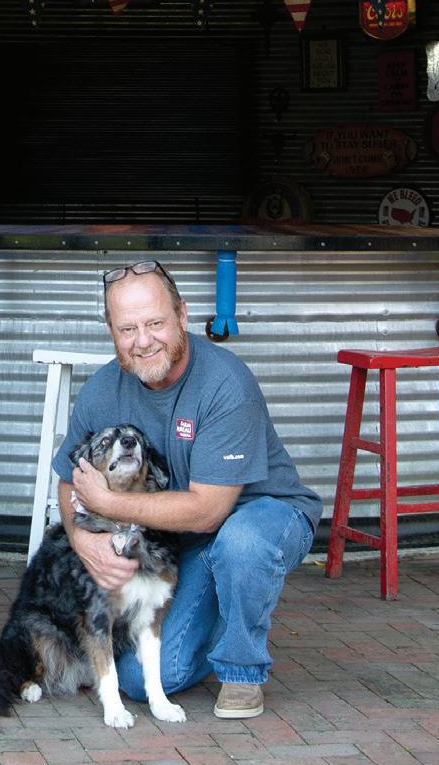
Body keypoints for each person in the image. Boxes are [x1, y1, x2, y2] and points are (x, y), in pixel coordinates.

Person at [56, 259, 321, 719]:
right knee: (141, 680)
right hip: (183, 541)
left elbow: (208, 512)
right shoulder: (102, 390)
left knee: (240, 544)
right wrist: (82, 539)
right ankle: (220, 612)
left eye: (155, 323)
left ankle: (242, 670)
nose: (143, 341)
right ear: (111, 331)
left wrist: (109, 502)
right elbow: (68, 480)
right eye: (127, 329)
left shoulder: (224, 383)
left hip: (263, 516)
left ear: (182, 314)